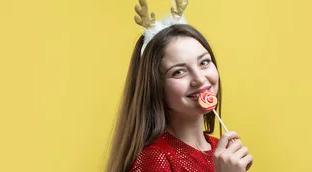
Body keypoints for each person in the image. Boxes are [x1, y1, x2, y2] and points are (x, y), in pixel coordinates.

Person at [106, 0, 253, 171]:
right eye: (179, 72)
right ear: (156, 88)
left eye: (204, 62)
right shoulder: (154, 159)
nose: (199, 78)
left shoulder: (220, 151)